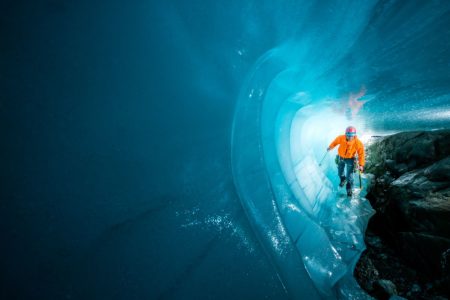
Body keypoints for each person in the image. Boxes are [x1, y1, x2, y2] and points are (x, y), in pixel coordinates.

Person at [327, 126, 365, 197]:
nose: (350, 137)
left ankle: (349, 187)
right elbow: (335, 142)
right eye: (348, 135)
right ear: (346, 134)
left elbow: (361, 154)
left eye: (352, 136)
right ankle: (343, 179)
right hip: (340, 157)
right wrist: (330, 147)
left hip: (350, 159)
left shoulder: (357, 142)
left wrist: (361, 165)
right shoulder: (341, 138)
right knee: (340, 171)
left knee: (349, 174)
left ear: (354, 135)